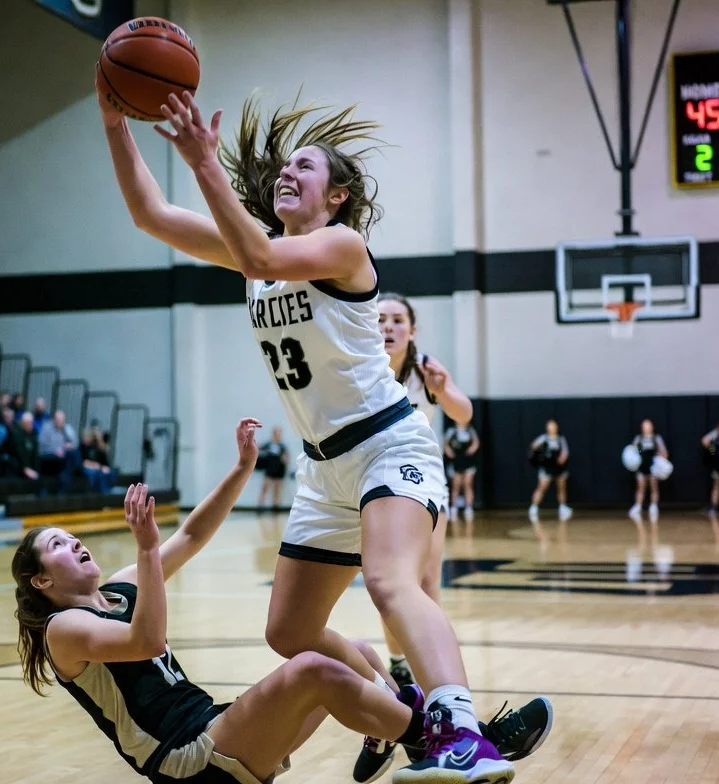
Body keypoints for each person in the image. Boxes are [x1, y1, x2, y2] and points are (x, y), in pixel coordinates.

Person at [100, 81, 550, 783]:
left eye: (305, 167)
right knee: (287, 631)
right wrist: (114, 118)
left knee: (391, 582)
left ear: (336, 196)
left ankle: (464, 731)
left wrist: (203, 161)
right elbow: (149, 213)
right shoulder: (257, 250)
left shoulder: (342, 246)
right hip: (323, 471)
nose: (287, 170)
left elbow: (259, 258)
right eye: (287, 165)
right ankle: (402, 709)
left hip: (386, 444)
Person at [14, 419, 440, 784]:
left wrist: (242, 468)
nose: (73, 542)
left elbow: (192, 536)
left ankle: (390, 725)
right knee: (312, 669)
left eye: (71, 537)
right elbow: (147, 642)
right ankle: (435, 736)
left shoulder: (119, 589)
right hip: (184, 758)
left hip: (215, 725)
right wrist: (146, 552)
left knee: (352, 654)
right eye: (58, 544)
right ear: (42, 579)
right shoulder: (63, 628)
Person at [376, 293, 474, 691]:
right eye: (380, 319)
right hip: (376, 487)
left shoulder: (425, 370)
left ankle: (433, 673)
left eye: (398, 320)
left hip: (425, 483)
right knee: (388, 584)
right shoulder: (360, 368)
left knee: (428, 581)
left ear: (412, 330)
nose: (388, 327)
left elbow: (464, 414)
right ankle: (398, 662)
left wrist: (445, 389)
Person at [528, 420, 570, 523]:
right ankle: (533, 507)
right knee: (542, 487)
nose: (552, 428)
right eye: (550, 426)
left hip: (559, 468)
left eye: (554, 426)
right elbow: (533, 447)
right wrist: (539, 455)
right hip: (547, 468)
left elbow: (565, 452)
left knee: (561, 487)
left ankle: (562, 507)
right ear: (547, 428)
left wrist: (561, 459)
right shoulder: (543, 438)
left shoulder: (561, 439)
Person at [628, 420, 668, 524]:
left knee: (654, 486)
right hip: (642, 465)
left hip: (653, 465)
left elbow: (663, 452)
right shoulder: (639, 438)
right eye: (644, 426)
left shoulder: (656, 438)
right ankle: (638, 506)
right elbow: (633, 452)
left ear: (652, 427)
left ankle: (653, 506)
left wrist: (661, 458)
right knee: (640, 487)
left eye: (648, 425)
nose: (646, 428)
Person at [443, 419, 480, 524]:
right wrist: (449, 452)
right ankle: (453, 508)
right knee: (456, 485)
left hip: (468, 461)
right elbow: (445, 444)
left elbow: (476, 442)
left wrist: (471, 449)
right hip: (457, 461)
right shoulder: (451, 430)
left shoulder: (470, 430)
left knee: (468, 484)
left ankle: (468, 508)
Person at [256, 426, 289, 511]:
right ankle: (260, 506)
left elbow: (286, 459)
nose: (277, 435)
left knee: (276, 490)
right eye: (276, 433)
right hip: (269, 470)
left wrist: (285, 460)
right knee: (265, 488)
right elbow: (258, 449)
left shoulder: (283, 447)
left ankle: (275, 507)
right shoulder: (268, 444)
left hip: (278, 471)